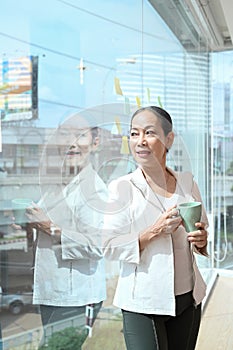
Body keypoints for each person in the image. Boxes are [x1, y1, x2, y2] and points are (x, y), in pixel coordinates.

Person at [103, 106, 208, 350]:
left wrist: (202, 239)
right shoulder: (121, 188)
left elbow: (201, 234)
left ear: (168, 139)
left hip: (188, 297)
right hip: (143, 303)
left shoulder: (187, 182)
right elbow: (108, 247)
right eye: (133, 133)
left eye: (149, 133)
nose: (140, 141)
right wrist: (154, 230)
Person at [26, 115, 107, 343]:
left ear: (95, 141)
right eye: (64, 134)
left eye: (80, 135)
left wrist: (49, 227)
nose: (71, 142)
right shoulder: (60, 181)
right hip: (55, 292)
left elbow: (95, 245)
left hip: (75, 297)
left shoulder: (94, 191)